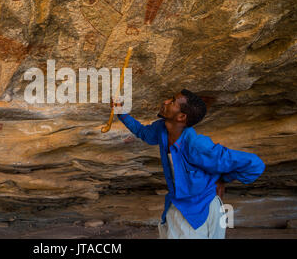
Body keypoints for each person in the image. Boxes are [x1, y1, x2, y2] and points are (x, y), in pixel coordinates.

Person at [111, 89, 265, 239]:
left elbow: (255, 164)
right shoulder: (162, 129)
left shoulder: (197, 146)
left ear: (181, 116)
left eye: (172, 101)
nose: (165, 101)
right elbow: (144, 133)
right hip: (179, 206)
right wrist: (121, 113)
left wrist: (224, 179)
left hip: (201, 211)